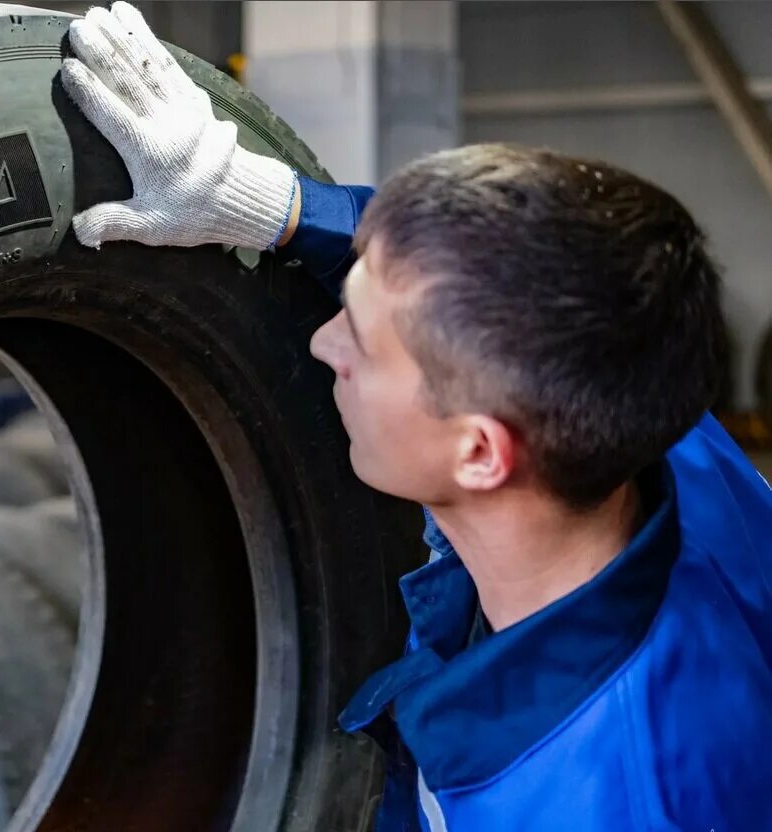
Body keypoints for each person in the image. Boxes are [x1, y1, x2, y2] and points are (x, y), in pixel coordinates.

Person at [60, 4, 772, 831]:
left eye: (360, 334)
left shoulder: (593, 800)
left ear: (480, 452)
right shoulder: (629, 393)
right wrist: (275, 206)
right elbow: (483, 281)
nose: (323, 342)